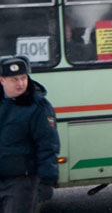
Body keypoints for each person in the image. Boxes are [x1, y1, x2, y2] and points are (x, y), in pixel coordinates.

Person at [0, 56, 60, 213]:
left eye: (23, 78)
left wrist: (47, 180)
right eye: (14, 79)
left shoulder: (38, 106)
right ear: (2, 80)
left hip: (21, 182)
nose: (20, 83)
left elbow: (48, 144)